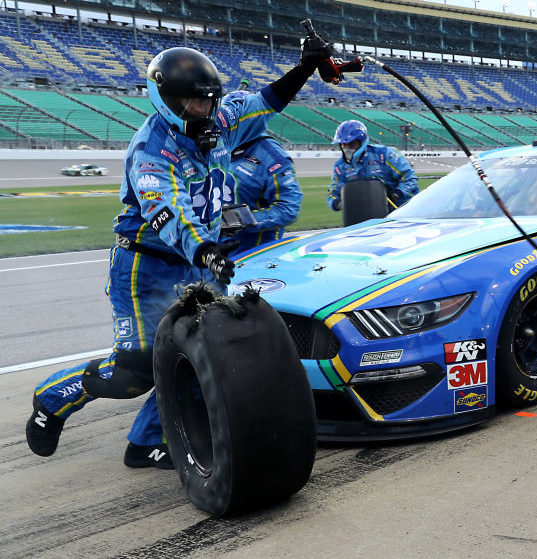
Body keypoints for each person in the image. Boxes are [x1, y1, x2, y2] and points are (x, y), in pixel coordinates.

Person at [25, 34, 339, 468]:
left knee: (201, 351)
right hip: (146, 264)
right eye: (193, 103)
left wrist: (305, 67)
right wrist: (206, 250)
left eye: (209, 101)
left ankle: (149, 443)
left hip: (197, 262)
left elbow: (267, 102)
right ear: (164, 99)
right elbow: (166, 214)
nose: (203, 111)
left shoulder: (221, 117)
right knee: (133, 371)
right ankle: (52, 397)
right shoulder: (150, 150)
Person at [222, 85, 303, 254]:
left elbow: (289, 208)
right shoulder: (218, 150)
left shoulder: (273, 157)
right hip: (218, 251)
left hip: (255, 255)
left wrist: (241, 219)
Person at [326, 120, 418, 213]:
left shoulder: (385, 154)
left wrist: (396, 194)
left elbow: (410, 178)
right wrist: (341, 203)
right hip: (370, 214)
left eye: (351, 144)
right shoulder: (340, 167)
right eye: (343, 145)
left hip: (404, 209)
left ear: (361, 142)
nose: (347, 148)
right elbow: (332, 195)